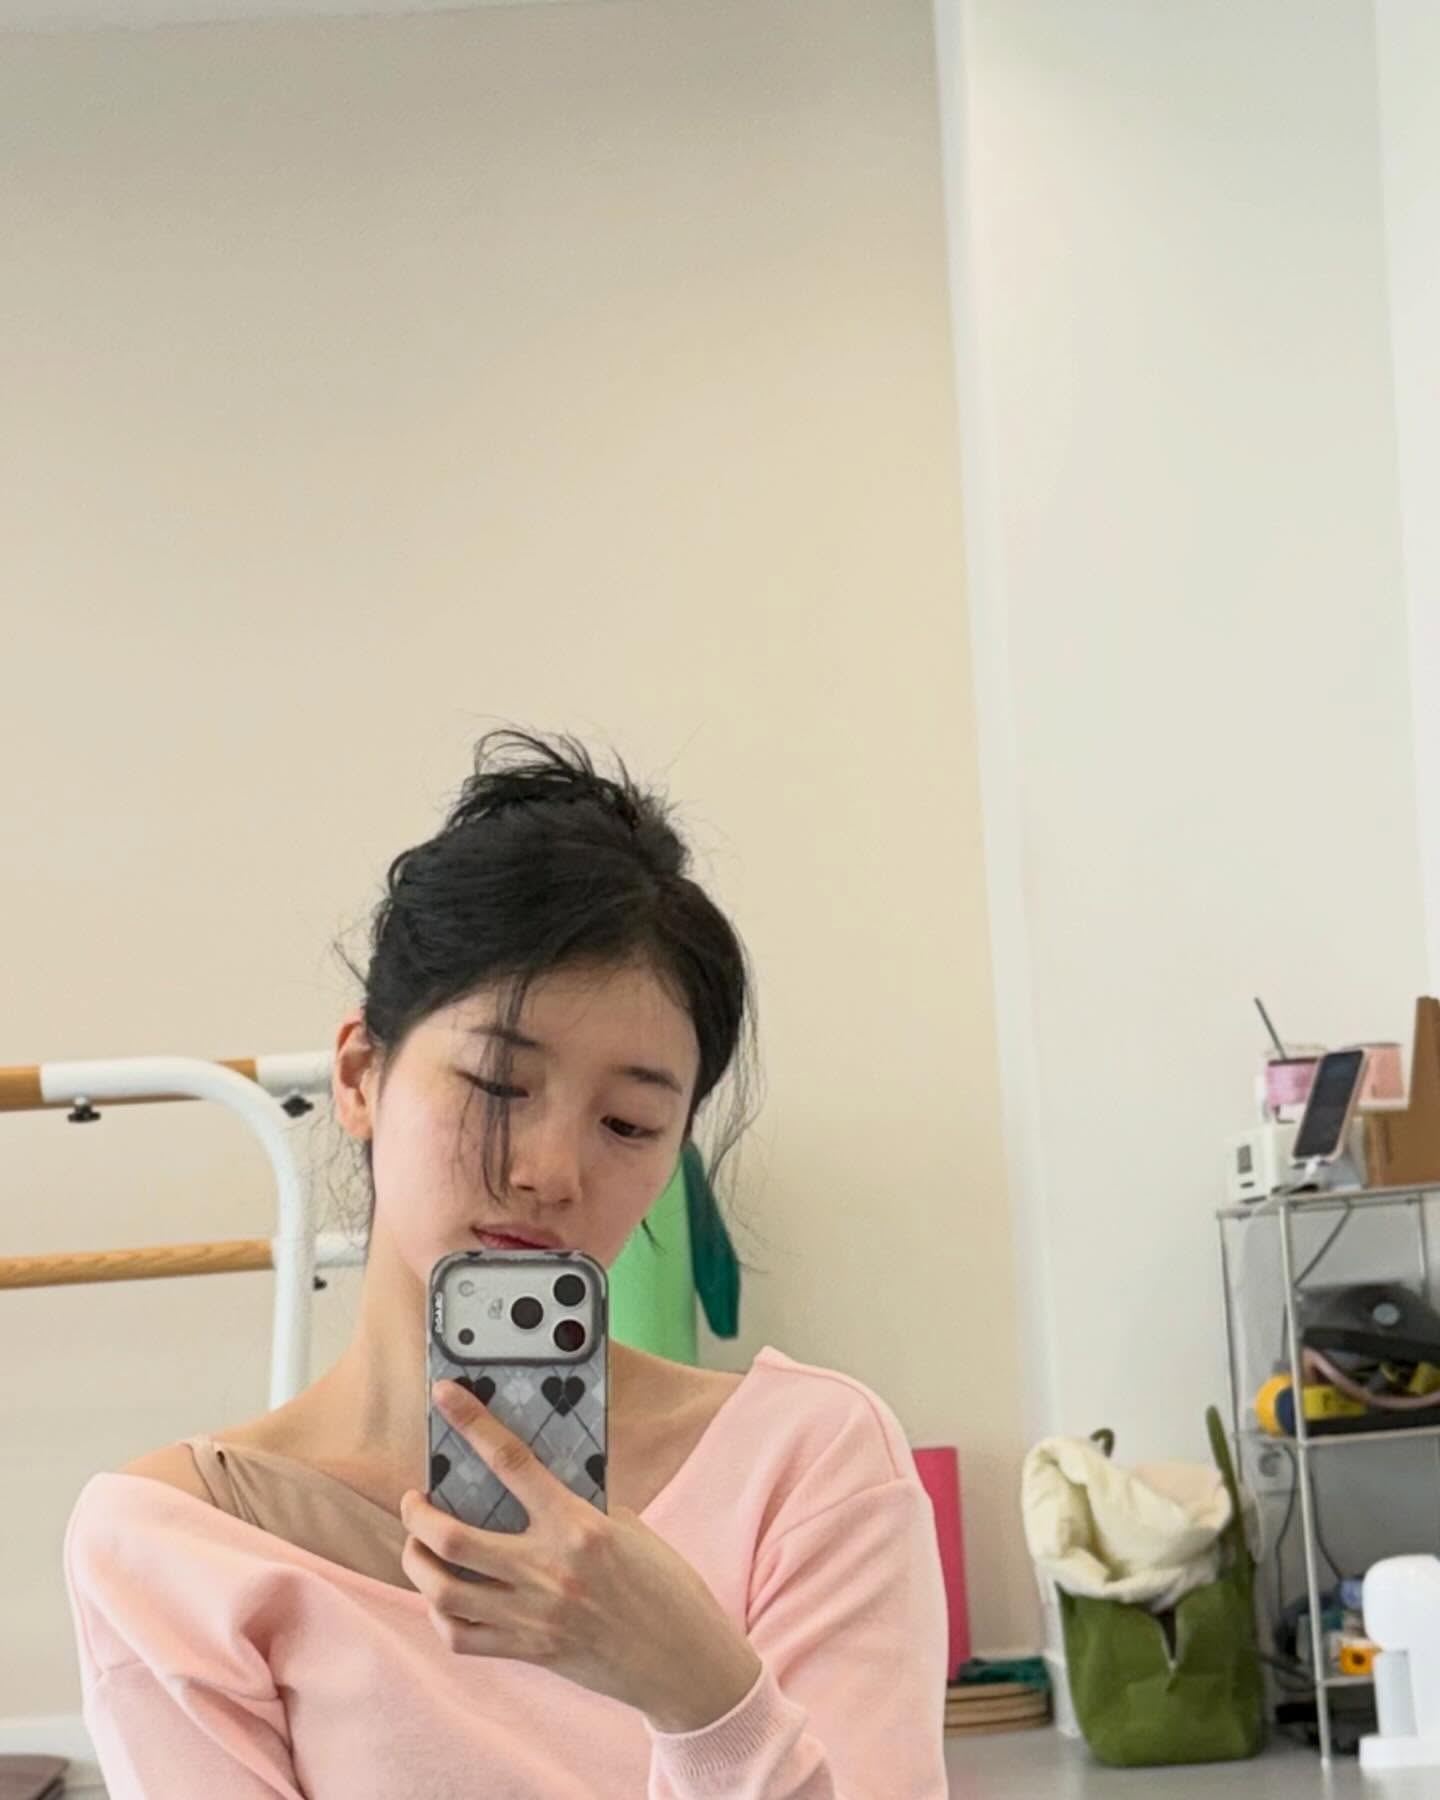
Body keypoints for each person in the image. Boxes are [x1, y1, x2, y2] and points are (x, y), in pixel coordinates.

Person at [63, 731, 949, 1797]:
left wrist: (702, 1694)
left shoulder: (807, 1465)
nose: (550, 1172)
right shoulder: (174, 1544)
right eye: (496, 1086)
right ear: (360, 1075)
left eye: (627, 1125)